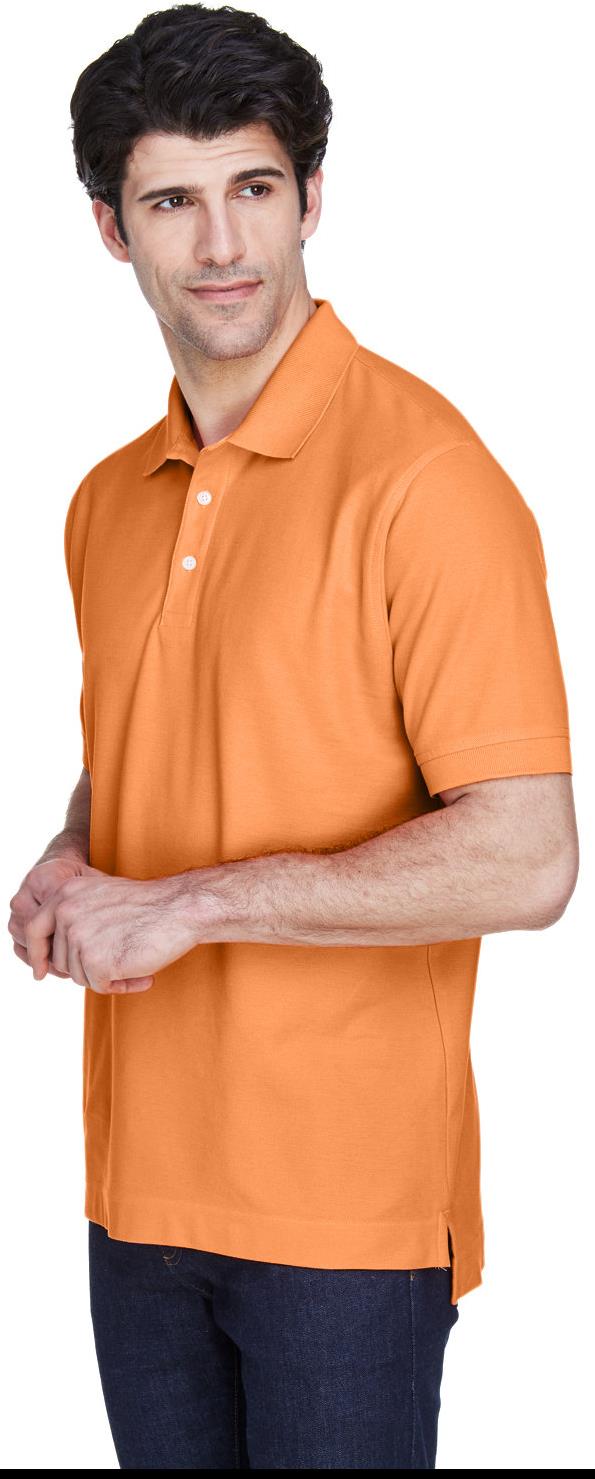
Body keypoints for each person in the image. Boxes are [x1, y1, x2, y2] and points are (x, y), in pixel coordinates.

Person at [8, 3, 579, 1469]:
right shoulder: (106, 499)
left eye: (254, 188)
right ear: (110, 229)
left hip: (343, 1218)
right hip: (134, 1197)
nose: (222, 245)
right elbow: (155, 741)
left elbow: (527, 859)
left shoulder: (428, 481)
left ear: (311, 197)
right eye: (171, 202)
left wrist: (189, 907)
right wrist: (74, 851)